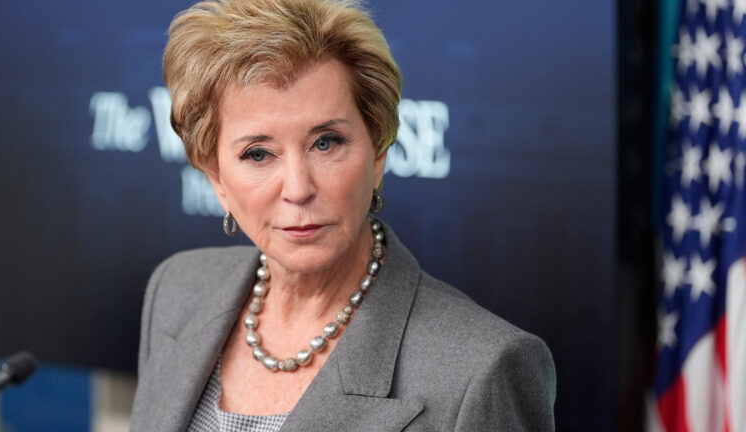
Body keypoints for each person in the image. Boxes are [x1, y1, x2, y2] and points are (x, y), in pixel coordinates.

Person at [130, 0, 556, 430]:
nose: (298, 189)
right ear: (216, 177)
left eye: (326, 142)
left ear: (378, 153)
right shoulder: (177, 291)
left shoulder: (482, 369)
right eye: (257, 154)